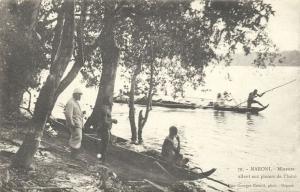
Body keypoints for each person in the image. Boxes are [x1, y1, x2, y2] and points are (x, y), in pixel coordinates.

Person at [64, 88, 84, 159]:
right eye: (79, 95)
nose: (80, 96)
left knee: (77, 138)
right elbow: (68, 114)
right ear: (75, 94)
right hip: (75, 124)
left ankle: (73, 155)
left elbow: (77, 114)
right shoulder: (71, 102)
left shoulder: (75, 102)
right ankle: (73, 156)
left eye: (80, 95)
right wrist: (71, 124)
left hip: (78, 123)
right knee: (77, 138)